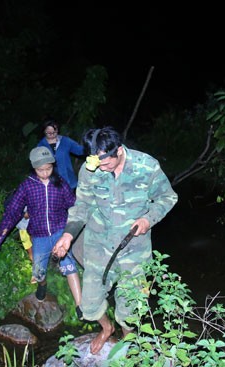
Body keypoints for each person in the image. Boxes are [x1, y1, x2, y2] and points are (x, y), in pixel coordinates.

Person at [52, 126, 178, 354]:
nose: (100, 166)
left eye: (105, 161)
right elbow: (81, 207)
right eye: (95, 161)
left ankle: (129, 339)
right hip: (98, 244)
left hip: (134, 248)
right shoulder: (91, 169)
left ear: (118, 150)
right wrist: (68, 235)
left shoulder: (146, 166)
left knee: (131, 306)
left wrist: (148, 219)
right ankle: (107, 328)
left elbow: (168, 197)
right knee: (88, 304)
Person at [0, 147, 82, 316]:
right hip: (39, 236)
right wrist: (0, 234)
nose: (45, 173)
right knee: (38, 271)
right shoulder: (27, 186)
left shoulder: (60, 183)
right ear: (34, 168)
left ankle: (79, 304)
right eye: (40, 170)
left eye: (48, 168)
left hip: (59, 232)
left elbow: (73, 204)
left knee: (69, 266)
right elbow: (13, 210)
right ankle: (42, 285)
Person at [37, 119, 84, 191]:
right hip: (50, 181)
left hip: (68, 180)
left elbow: (80, 150)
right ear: (44, 131)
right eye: (49, 132)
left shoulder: (66, 141)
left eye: (54, 131)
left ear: (57, 130)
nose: (52, 134)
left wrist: (92, 148)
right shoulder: (40, 146)